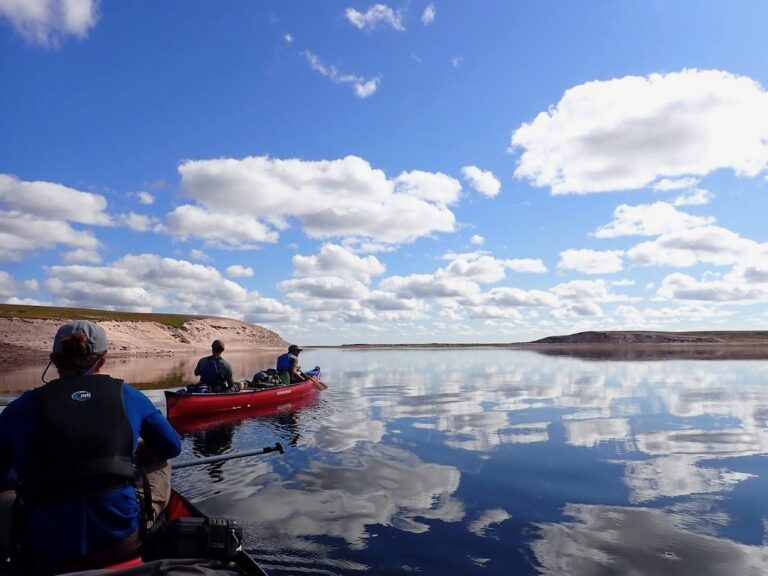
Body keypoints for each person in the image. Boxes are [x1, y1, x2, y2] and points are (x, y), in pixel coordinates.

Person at [0, 320, 182, 572]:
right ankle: (149, 525)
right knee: (161, 459)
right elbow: (171, 447)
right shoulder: (128, 395)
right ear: (103, 360)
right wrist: (129, 452)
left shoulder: (19, 408)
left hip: (45, 549)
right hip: (122, 542)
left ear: (54, 360)